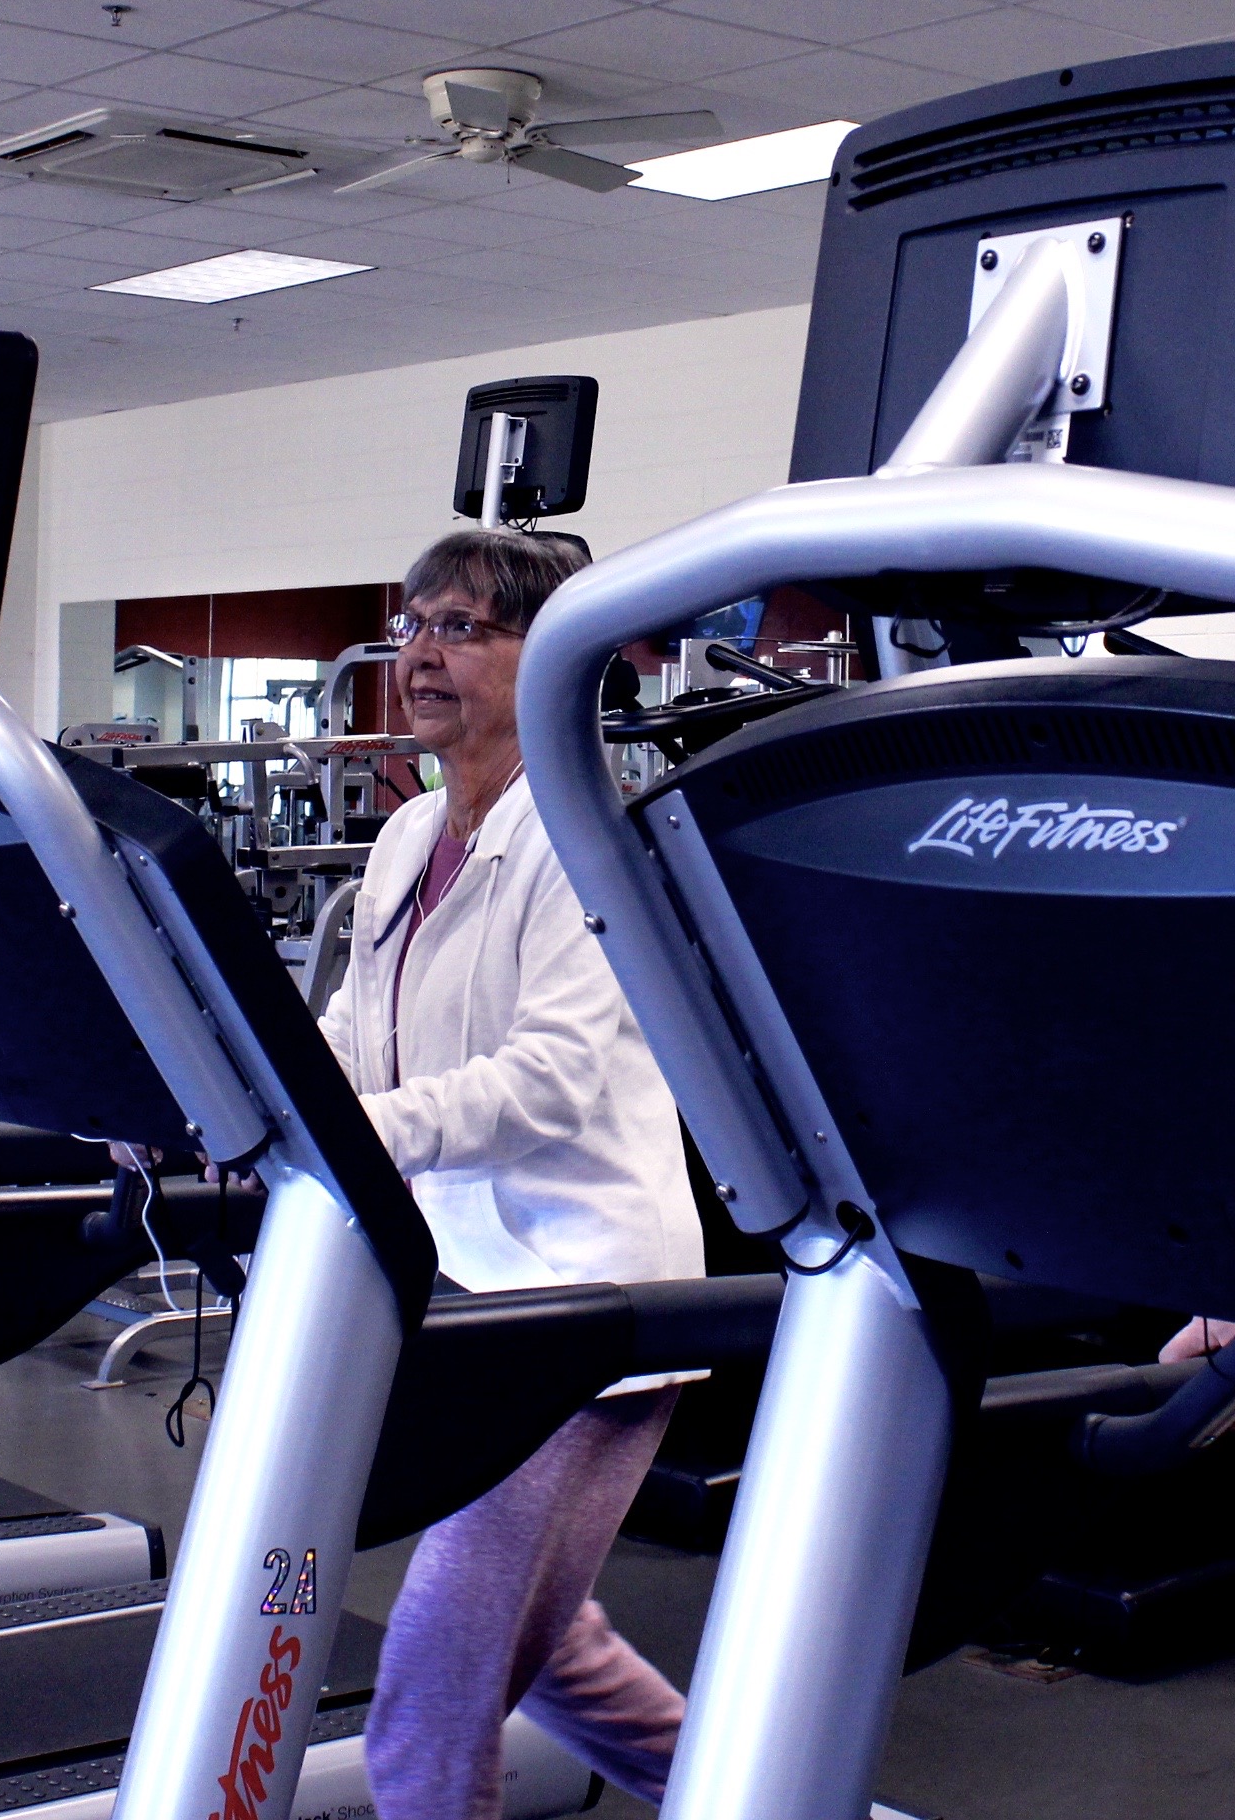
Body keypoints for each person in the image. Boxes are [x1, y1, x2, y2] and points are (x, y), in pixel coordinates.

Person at [317, 527, 705, 1820]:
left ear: (552, 660)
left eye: (463, 628)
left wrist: (359, 1133)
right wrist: (260, 1097)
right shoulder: (406, 833)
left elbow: (550, 1081)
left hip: (585, 1309)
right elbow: (357, 1036)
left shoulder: (581, 834)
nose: (422, 654)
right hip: (469, 1299)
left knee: (429, 1707)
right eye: (413, 624)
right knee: (558, 1662)